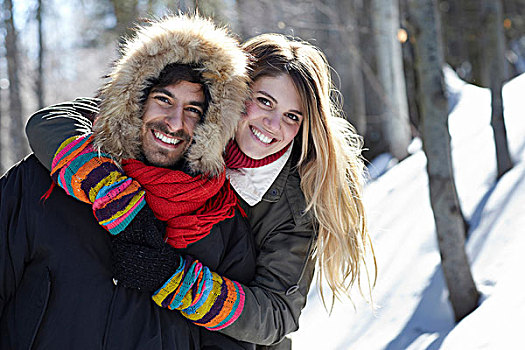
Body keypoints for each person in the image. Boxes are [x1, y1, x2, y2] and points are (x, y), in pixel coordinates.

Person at [26, 31, 376, 349]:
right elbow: (54, 122)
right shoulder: (189, 125)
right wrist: (112, 193)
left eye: (292, 116)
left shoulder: (290, 206)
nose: (272, 125)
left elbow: (276, 316)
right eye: (264, 102)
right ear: (234, 94)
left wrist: (175, 279)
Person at [0, 14, 259, 349]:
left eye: (193, 110)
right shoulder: (43, 181)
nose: (175, 123)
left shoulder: (222, 227)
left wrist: (175, 278)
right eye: (163, 99)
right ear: (135, 99)